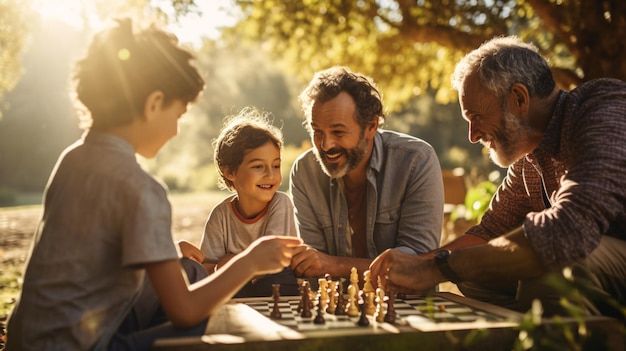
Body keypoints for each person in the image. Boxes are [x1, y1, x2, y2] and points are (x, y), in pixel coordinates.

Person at [5, 18, 302, 351]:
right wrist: (251, 261)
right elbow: (185, 311)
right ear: (154, 103)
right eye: (178, 114)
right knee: (231, 327)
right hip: (86, 345)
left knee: (188, 272)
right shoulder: (141, 188)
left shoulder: (72, 159)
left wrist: (166, 256)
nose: (176, 129)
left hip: (27, 340)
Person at [370, 35, 626, 320]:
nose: (472, 135)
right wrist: (417, 266)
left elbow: (568, 229)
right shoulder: (530, 156)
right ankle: (536, 325)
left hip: (599, 255)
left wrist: (436, 268)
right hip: (597, 265)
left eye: (477, 117)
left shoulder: (605, 110)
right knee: (474, 274)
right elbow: (488, 233)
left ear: (519, 98)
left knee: (556, 272)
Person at [289, 66, 444, 281]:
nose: (325, 145)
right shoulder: (304, 172)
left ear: (371, 126)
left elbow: (416, 265)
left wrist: (334, 265)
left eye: (338, 132)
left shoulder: (416, 161)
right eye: (317, 132)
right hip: (335, 309)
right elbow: (312, 267)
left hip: (406, 308)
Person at [178, 107, 301, 297]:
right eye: (258, 166)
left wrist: (230, 262)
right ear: (230, 172)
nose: (271, 175)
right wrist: (232, 267)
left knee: (277, 279)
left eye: (276, 165)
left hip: (272, 284)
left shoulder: (280, 203)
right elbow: (209, 268)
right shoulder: (221, 214)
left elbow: (271, 261)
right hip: (238, 288)